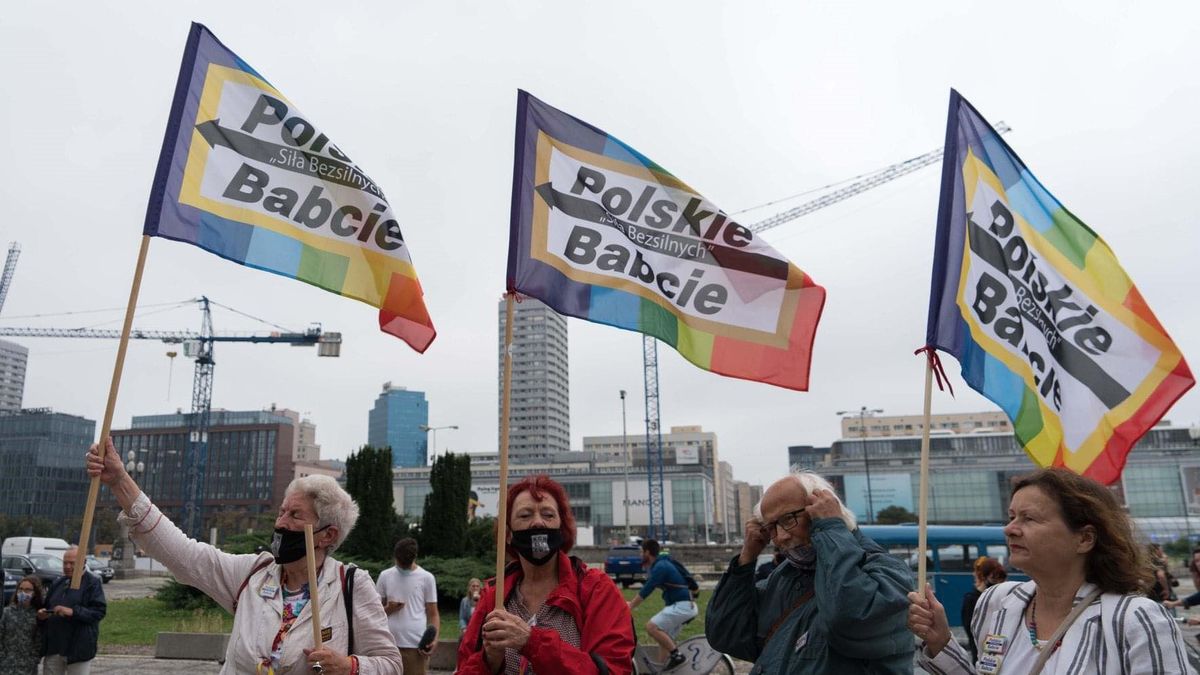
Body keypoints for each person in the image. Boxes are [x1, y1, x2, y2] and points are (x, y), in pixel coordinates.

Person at [86, 437, 402, 675]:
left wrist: (350, 665)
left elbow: (390, 664)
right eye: (281, 511)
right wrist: (120, 481)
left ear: (328, 535)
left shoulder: (351, 584)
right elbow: (184, 554)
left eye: (295, 515)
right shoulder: (252, 574)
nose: (280, 523)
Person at [909, 467, 1192, 674]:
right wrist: (941, 641)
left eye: (1029, 518)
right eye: (1011, 517)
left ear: (1084, 539)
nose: (1009, 529)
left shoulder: (1134, 619)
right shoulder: (997, 603)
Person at [705, 471, 914, 673]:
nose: (780, 537)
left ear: (823, 508)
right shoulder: (785, 576)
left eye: (787, 519)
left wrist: (831, 528)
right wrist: (746, 559)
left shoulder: (884, 569)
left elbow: (850, 620)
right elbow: (727, 635)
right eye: (771, 528)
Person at [457, 474, 635, 674]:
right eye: (525, 515)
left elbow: (612, 670)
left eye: (548, 515)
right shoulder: (493, 598)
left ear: (562, 528)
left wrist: (531, 642)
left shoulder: (596, 588)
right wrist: (489, 662)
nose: (538, 523)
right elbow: (464, 667)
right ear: (507, 535)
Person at [627, 539, 697, 670]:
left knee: (651, 627)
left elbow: (647, 589)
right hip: (684, 605)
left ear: (647, 552)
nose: (640, 555)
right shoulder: (662, 564)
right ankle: (663, 670)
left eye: (642, 552)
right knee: (665, 640)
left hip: (682, 606)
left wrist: (630, 606)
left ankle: (677, 656)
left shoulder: (661, 567)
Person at [38, 546, 106, 675]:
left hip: (78, 648)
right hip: (54, 646)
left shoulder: (92, 583)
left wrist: (73, 612)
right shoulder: (58, 582)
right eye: (65, 562)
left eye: (72, 563)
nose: (67, 566)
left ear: (83, 562)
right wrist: (43, 615)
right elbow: (47, 607)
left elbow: (98, 612)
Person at [375, 538, 439, 674]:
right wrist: (389, 609)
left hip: (416, 646)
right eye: (400, 562)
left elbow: (433, 613)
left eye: (406, 564)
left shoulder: (427, 578)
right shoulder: (385, 576)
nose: (402, 566)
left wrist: (434, 638)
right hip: (388, 644)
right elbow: (374, 613)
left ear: (415, 557)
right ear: (395, 557)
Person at [959, 556, 1007, 662]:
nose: (999, 583)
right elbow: (972, 630)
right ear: (984, 577)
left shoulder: (1003, 596)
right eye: (994, 578)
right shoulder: (971, 599)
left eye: (1001, 579)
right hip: (982, 653)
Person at [0, 575, 44, 674]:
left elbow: (39, 641)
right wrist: (2, 657)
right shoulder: (8, 612)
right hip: (6, 666)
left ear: (34, 593)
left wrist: (34, 659)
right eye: (20, 589)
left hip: (27, 667)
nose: (23, 592)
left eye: (28, 590)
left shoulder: (38, 615)